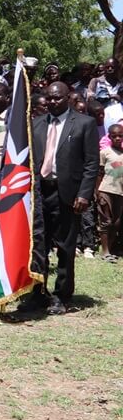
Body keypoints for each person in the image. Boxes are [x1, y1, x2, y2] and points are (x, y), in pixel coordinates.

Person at [30, 81, 99, 314]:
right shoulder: (37, 124)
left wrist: (84, 194)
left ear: (68, 97)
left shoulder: (84, 123)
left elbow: (91, 163)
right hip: (40, 193)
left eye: (57, 98)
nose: (52, 102)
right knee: (38, 245)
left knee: (65, 247)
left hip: (68, 193)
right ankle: (37, 292)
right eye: (49, 98)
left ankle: (61, 295)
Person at [99, 123, 123, 262]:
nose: (118, 138)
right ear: (109, 137)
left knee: (117, 222)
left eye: (120, 136)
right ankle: (105, 251)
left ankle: (111, 248)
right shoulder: (105, 153)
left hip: (120, 192)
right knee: (106, 221)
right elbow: (99, 173)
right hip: (106, 189)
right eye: (114, 136)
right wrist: (98, 192)